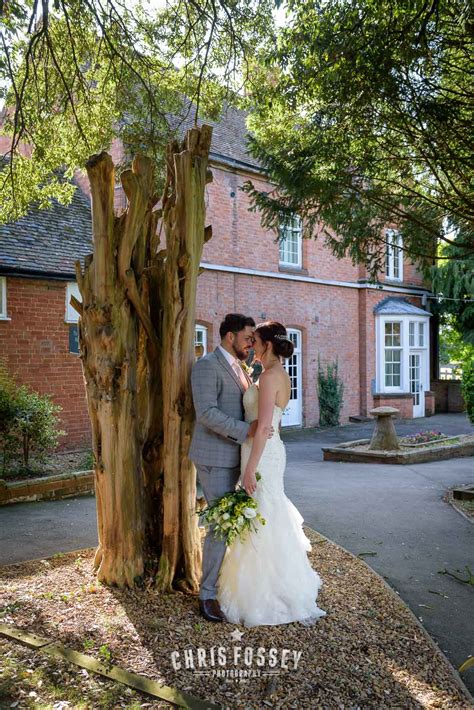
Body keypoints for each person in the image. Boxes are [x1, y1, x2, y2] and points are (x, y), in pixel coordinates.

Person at [217, 321, 327, 627]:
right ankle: (279, 585)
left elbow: (264, 426)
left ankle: (263, 596)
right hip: (271, 450)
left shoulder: (268, 378)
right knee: (268, 513)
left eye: (255, 342)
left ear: (266, 345)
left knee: (261, 514)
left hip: (261, 455)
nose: (250, 346)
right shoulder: (280, 376)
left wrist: (249, 469)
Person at [189, 313, 264, 623]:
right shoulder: (206, 366)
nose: (251, 343)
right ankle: (207, 594)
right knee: (220, 526)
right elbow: (205, 412)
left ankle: (225, 582)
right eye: (247, 337)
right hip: (214, 457)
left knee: (232, 524)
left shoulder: (241, 368)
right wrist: (246, 430)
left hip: (237, 458)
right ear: (229, 336)